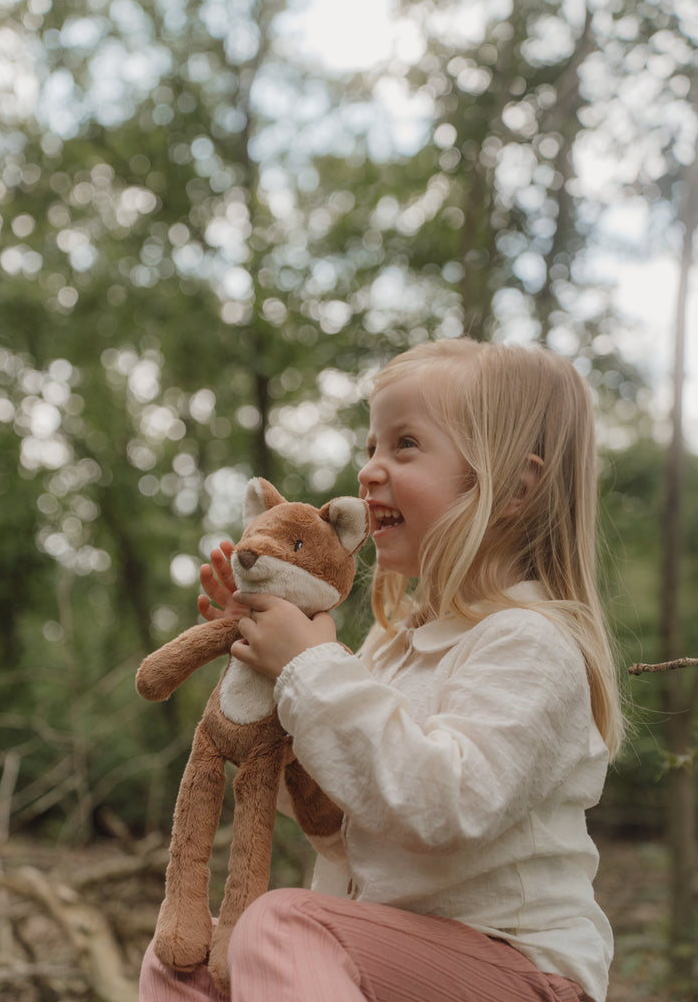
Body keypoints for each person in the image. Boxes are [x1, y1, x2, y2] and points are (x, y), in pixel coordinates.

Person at [139, 336, 624, 1002]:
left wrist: (308, 667)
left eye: (405, 445)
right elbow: (342, 824)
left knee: (281, 923)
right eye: (370, 447)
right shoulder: (388, 651)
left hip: (520, 974)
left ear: (513, 486)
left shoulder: (531, 643)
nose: (368, 469)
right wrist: (265, 679)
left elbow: (443, 807)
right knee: (183, 958)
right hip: (386, 956)